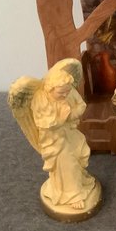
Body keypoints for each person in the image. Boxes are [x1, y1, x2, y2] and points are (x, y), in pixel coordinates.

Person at [31, 68, 95, 209]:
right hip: (53, 139)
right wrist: (61, 118)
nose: (65, 95)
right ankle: (73, 195)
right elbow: (43, 123)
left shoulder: (68, 90)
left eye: (67, 91)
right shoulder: (40, 99)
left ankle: (78, 181)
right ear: (50, 88)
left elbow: (81, 105)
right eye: (61, 93)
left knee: (78, 154)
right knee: (67, 162)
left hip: (69, 131)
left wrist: (71, 115)